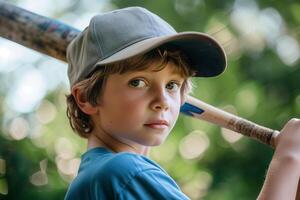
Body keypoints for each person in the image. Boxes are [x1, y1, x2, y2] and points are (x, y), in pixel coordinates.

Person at [64, 6, 300, 200]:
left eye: (172, 85)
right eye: (138, 82)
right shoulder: (123, 174)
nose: (162, 101)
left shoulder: (98, 180)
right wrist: (289, 158)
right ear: (86, 97)